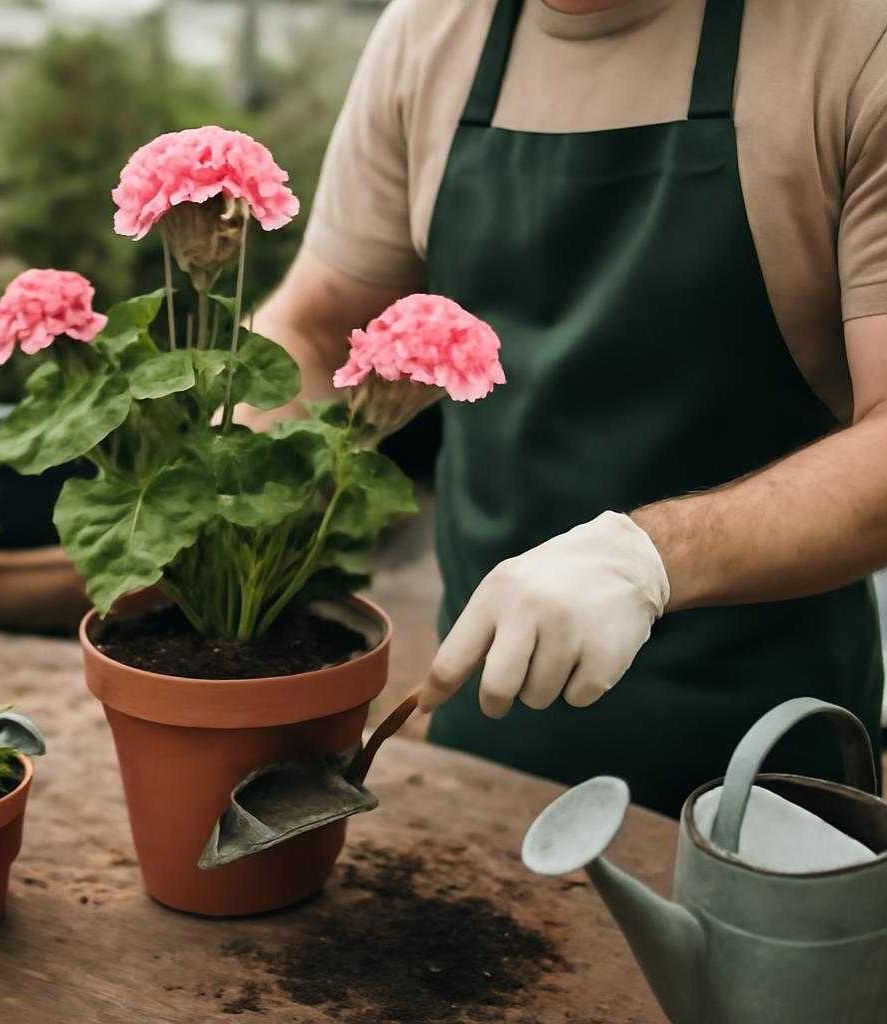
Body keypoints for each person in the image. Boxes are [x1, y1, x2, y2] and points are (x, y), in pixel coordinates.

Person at [253, 0, 887, 816]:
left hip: (763, 780)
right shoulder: (433, 32)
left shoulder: (850, 35)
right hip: (488, 737)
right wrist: (228, 488)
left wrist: (647, 559)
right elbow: (309, 331)